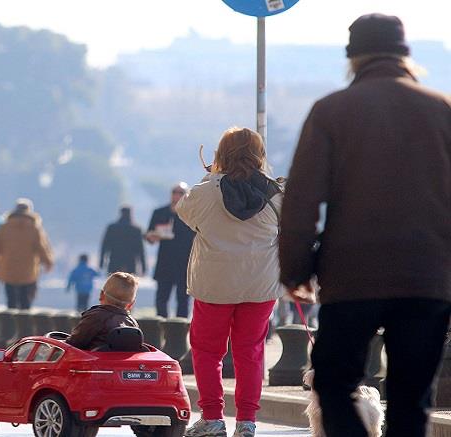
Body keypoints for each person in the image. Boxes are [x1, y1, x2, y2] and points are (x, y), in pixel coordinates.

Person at [279, 14, 451, 437]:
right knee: (413, 397)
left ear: (353, 58)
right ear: (405, 55)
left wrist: (295, 271)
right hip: (426, 278)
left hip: (352, 276)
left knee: (335, 383)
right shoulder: (441, 109)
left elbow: (301, 202)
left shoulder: (331, 111)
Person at [176, 127, 285, 437]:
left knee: (207, 352)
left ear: (219, 155)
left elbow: (185, 214)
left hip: (214, 283)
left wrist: (213, 176)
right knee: (250, 351)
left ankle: (211, 417)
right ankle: (247, 421)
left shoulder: (205, 191)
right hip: (259, 284)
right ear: (260, 155)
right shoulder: (276, 194)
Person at [0, 198, 54, 310]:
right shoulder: (34, 228)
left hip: (8, 268)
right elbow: (42, 247)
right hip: (28, 270)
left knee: (11, 300)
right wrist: (48, 262)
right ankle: (25, 324)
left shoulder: (4, 227)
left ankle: (10, 324)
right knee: (25, 300)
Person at [146, 183, 196, 318]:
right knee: (161, 298)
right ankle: (160, 327)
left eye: (181, 193)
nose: (177, 195)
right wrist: (152, 236)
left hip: (184, 262)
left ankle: (179, 331)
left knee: (183, 300)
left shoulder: (191, 214)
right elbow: (149, 236)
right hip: (165, 262)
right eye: (175, 192)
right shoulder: (159, 212)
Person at [66, 272, 139, 350]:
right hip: (122, 362)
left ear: (101, 295)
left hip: (94, 361)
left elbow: (74, 344)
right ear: (131, 304)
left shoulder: (95, 317)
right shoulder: (132, 325)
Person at [99, 206, 145, 276]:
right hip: (130, 262)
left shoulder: (112, 228)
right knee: (128, 285)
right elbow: (140, 250)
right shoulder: (136, 230)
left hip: (114, 261)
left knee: (114, 284)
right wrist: (143, 266)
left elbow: (105, 246)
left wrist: (101, 262)